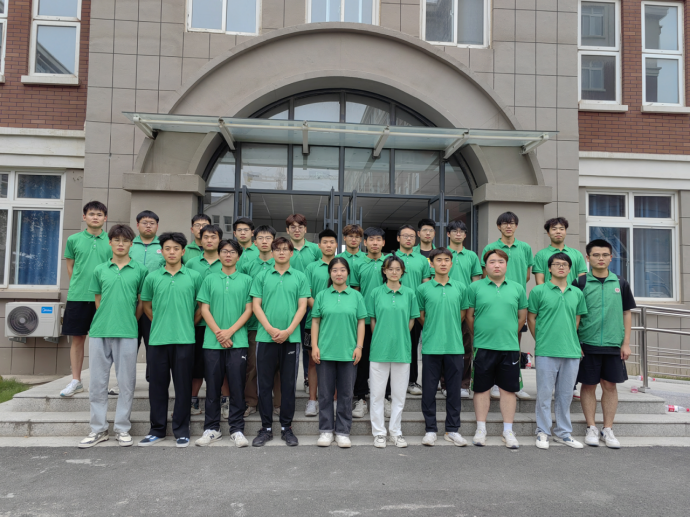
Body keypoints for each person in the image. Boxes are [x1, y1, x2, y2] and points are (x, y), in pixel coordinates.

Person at [78, 224, 148, 448]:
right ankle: (98, 429)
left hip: (127, 331)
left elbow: (141, 302)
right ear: (110, 243)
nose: (120, 244)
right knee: (97, 383)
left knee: (126, 382)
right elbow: (98, 300)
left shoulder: (140, 270)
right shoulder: (100, 270)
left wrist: (129, 320)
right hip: (100, 331)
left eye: (125, 240)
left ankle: (122, 428)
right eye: (116, 240)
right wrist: (108, 318)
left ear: (131, 244)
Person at [139, 233, 203, 448]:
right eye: (168, 248)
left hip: (185, 339)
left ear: (183, 251)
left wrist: (187, 324)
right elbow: (146, 306)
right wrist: (161, 323)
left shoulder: (194, 276)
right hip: (158, 339)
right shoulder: (152, 277)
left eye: (176, 248)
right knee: (157, 386)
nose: (172, 252)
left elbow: (201, 307)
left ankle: (181, 430)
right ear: (162, 251)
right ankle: (156, 429)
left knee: (183, 386)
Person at [576, 239, 636, 449]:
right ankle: (591, 427)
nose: (600, 259)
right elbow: (573, 315)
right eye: (595, 255)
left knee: (610, 386)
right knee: (588, 385)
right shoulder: (580, 283)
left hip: (613, 343)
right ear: (588, 258)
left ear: (611, 257)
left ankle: (608, 429)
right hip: (587, 342)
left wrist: (626, 343)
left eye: (604, 255)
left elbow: (626, 313)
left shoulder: (620, 283)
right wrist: (576, 342)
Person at [250, 237, 310, 447]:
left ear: (291, 253)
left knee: (288, 385)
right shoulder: (262, 276)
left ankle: (287, 427)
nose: (282, 252)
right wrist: (270, 329)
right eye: (278, 249)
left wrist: (288, 331)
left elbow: (302, 306)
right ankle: (266, 428)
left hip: (290, 339)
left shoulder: (300, 277)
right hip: (265, 338)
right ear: (272, 252)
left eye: (285, 249)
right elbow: (256, 305)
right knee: (264, 385)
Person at [195, 239, 253, 448]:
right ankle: (212, 429)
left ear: (239, 256)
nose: (228, 255)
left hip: (238, 341)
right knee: (212, 387)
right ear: (219, 254)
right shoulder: (209, 279)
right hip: (212, 342)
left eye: (232, 252)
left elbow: (249, 309)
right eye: (224, 251)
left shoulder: (247, 280)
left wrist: (230, 332)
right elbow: (204, 309)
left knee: (237, 386)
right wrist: (220, 333)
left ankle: (237, 429)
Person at [467, 249, 528, 450]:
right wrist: (480, 336)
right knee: (481, 388)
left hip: (509, 347)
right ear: (485, 266)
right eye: (492, 261)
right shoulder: (475, 287)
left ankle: (508, 431)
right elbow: (470, 316)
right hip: (483, 347)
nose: (496, 265)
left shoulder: (517, 288)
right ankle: (481, 429)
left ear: (506, 265)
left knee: (508, 390)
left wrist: (508, 334)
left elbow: (521, 317)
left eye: (501, 261)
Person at [527, 253, 588, 450]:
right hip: (546, 350)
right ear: (549, 268)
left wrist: (570, 339)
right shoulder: (538, 291)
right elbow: (531, 318)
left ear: (570, 269)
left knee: (565, 395)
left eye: (565, 265)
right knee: (544, 394)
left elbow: (577, 319)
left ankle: (563, 433)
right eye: (556, 264)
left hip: (571, 351)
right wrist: (541, 339)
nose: (561, 267)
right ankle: (543, 431)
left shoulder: (577, 293)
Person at [312, 257, 367, 449]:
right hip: (325, 351)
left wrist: (359, 346)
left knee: (346, 394)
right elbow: (315, 321)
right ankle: (326, 430)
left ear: (348, 273)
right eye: (335, 270)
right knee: (325, 394)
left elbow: (361, 322)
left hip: (348, 352)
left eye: (342, 270)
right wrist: (315, 346)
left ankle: (343, 431)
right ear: (330, 273)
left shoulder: (356, 296)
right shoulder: (322, 295)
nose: (339, 273)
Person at [417, 249, 469, 447]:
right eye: (438, 260)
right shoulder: (423, 289)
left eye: (447, 260)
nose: (443, 263)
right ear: (431, 264)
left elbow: (463, 314)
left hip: (454, 346)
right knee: (429, 390)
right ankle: (430, 429)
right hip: (431, 346)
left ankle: (452, 429)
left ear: (451, 263)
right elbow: (421, 315)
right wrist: (433, 328)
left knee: (454, 390)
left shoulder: (460, 287)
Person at [60, 201, 112, 398]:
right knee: (78, 338)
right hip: (78, 296)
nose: (95, 217)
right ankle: (76, 381)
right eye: (91, 214)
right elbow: (70, 268)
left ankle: (102, 382)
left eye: (99, 214)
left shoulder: (112, 241)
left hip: (105, 297)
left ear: (105, 218)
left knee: (105, 340)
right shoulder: (73, 240)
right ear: (84, 217)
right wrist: (80, 286)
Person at [533, 217, 588, 398]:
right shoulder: (541, 255)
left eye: (561, 228)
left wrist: (572, 297)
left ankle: (571, 385)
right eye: (554, 228)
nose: (558, 231)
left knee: (571, 343)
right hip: (550, 302)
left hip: (571, 301)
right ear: (548, 232)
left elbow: (582, 281)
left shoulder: (576, 254)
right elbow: (540, 280)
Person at [368, 255, 420, 449]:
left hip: (402, 350)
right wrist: (380, 337)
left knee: (399, 395)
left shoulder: (409, 294)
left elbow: (412, 320)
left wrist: (401, 337)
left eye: (398, 269)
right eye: (390, 269)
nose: (394, 272)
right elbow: (372, 319)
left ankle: (395, 432)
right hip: (379, 350)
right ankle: (379, 433)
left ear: (402, 271)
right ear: (384, 271)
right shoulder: (375, 293)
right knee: (377, 395)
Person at [480, 212, 533, 400]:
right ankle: (494, 383)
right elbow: (485, 275)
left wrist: (512, 290)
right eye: (504, 223)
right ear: (498, 226)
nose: (508, 226)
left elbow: (527, 275)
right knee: (492, 346)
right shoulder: (490, 248)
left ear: (516, 226)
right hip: (494, 302)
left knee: (514, 344)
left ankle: (514, 383)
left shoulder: (525, 248)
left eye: (511, 223)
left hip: (515, 301)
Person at [238, 225, 281, 418]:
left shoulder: (280, 264)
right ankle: (251, 402)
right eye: (261, 238)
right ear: (254, 242)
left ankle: (278, 403)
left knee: (278, 366)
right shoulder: (246, 265)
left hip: (277, 324)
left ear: (274, 241)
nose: (264, 241)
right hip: (254, 324)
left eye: (268, 238)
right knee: (253, 365)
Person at [185, 224, 225, 417]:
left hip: (221, 325)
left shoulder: (227, 261)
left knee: (221, 365)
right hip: (196, 323)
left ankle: (224, 400)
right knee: (196, 365)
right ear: (200, 239)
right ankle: (193, 400)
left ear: (220, 240)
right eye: (206, 237)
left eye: (213, 237)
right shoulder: (191, 263)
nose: (209, 240)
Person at [388, 225, 430, 397]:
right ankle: (390, 381)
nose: (408, 239)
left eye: (412, 236)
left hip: (414, 310)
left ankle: (411, 381)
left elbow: (426, 284)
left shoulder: (422, 260)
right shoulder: (389, 259)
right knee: (391, 344)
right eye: (405, 235)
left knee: (412, 346)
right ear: (398, 238)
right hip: (392, 309)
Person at [350, 227, 387, 419]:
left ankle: (385, 397)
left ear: (383, 242)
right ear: (365, 242)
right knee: (362, 360)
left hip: (385, 320)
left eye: (378, 239)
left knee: (384, 359)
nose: (374, 242)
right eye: (371, 239)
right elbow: (355, 292)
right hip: (363, 320)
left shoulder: (390, 263)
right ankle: (361, 398)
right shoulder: (358, 264)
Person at [304, 229, 339, 417]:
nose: (328, 245)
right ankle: (312, 400)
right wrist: (320, 311)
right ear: (319, 246)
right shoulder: (311, 267)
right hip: (313, 321)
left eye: (332, 242)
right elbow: (307, 294)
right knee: (313, 360)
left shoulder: (341, 265)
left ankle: (334, 400)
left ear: (336, 245)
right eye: (325, 242)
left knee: (336, 360)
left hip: (337, 323)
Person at [286, 213, 322, 396]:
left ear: (305, 229)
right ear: (287, 230)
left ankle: (308, 379)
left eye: (300, 226)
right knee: (291, 345)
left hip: (310, 304)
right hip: (289, 304)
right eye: (293, 227)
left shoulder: (315, 249)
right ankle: (289, 381)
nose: (297, 230)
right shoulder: (284, 249)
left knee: (309, 345)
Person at [446, 220, 482, 399]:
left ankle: (463, 384)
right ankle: (445, 383)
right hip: (446, 306)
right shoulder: (443, 254)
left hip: (467, 307)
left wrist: (475, 305)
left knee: (466, 347)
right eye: (454, 231)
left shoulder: (472, 256)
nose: (458, 234)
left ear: (466, 235)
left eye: (462, 231)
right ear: (448, 234)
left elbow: (476, 282)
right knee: (445, 348)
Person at [128, 210, 165, 388]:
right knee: (129, 344)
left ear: (157, 226)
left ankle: (153, 380)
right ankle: (126, 381)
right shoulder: (129, 245)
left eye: (152, 223)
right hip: (130, 303)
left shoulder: (163, 246)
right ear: (137, 225)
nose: (148, 226)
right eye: (144, 222)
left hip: (154, 304)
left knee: (153, 343)